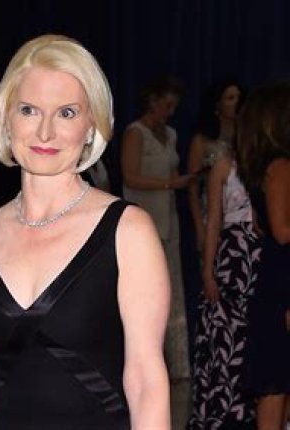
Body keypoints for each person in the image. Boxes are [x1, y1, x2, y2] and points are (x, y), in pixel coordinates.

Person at [0, 34, 171, 429]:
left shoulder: (127, 231)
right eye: (28, 110)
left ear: (91, 126)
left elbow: (146, 382)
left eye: (67, 113)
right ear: (6, 118)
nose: (45, 133)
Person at [120, 74, 193, 429]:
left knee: (172, 292)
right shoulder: (135, 132)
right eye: (166, 104)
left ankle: (176, 365)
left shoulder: (171, 135)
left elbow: (175, 173)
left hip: (168, 220)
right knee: (143, 294)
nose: (170, 111)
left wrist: (179, 183)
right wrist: (170, 183)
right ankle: (143, 362)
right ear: (152, 101)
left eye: (174, 106)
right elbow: (130, 176)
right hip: (142, 219)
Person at [187, 147, 260, 429]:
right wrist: (208, 271)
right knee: (224, 334)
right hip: (232, 258)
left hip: (262, 256)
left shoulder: (271, 164)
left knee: (256, 335)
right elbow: (214, 220)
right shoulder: (223, 166)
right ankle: (221, 410)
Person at [236, 80, 290, 430]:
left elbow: (260, 226)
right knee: (277, 376)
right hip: (283, 276)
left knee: (278, 374)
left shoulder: (261, 167)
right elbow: (282, 230)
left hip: (273, 273)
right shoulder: (281, 165)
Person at [187, 79, 243, 255]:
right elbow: (192, 187)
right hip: (211, 213)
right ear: (217, 104)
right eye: (230, 98)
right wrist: (199, 228)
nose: (236, 102)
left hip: (242, 215)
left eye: (238, 97)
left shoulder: (247, 137)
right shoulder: (202, 141)